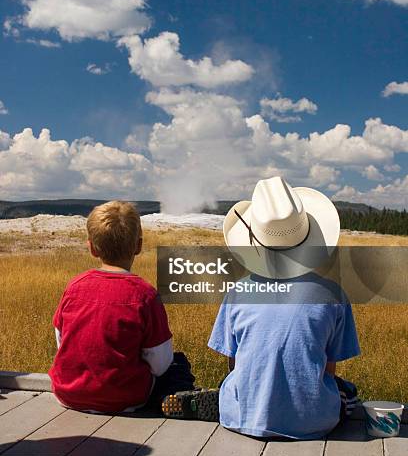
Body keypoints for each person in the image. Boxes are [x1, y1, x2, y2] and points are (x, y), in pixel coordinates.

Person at [162, 176, 360, 439]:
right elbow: (328, 368)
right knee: (348, 392)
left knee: (231, 382)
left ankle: (225, 401)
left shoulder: (238, 292)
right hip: (313, 423)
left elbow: (234, 363)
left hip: (243, 417)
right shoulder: (333, 295)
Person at [49, 200, 194, 414]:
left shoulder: (74, 287)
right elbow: (160, 363)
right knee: (178, 365)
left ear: (91, 248)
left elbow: (61, 340)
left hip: (68, 394)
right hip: (127, 398)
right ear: (138, 245)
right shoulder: (145, 295)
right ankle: (176, 401)